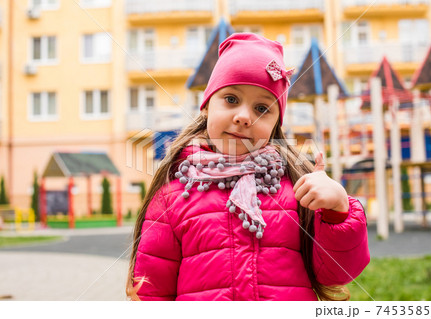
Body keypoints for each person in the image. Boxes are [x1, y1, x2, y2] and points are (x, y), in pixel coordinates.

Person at [126, 33, 370, 301]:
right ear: (207, 107)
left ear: (276, 124)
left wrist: (337, 210)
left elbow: (336, 274)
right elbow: (151, 292)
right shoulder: (172, 199)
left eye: (262, 109)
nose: (244, 117)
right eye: (231, 99)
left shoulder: (298, 191)